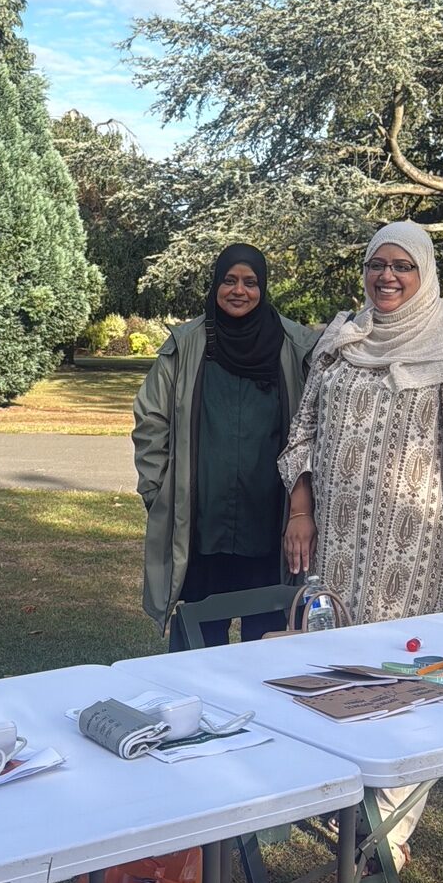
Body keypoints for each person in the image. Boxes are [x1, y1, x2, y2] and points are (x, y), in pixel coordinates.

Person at [278, 220, 443, 864]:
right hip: (340, 549)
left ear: (425, 275)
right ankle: (349, 795)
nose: (387, 276)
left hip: (414, 555)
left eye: (402, 266)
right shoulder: (342, 343)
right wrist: (301, 509)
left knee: (411, 679)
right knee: (341, 668)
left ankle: (388, 831)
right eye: (377, 264)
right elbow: (302, 433)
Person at [133, 243, 316, 648]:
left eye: (250, 282)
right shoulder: (187, 345)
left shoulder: (294, 346)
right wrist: (157, 490)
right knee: (197, 643)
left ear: (263, 287)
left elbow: (313, 425)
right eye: (229, 280)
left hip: (269, 522)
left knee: (267, 642)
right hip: (200, 523)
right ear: (216, 284)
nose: (239, 290)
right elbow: (151, 420)